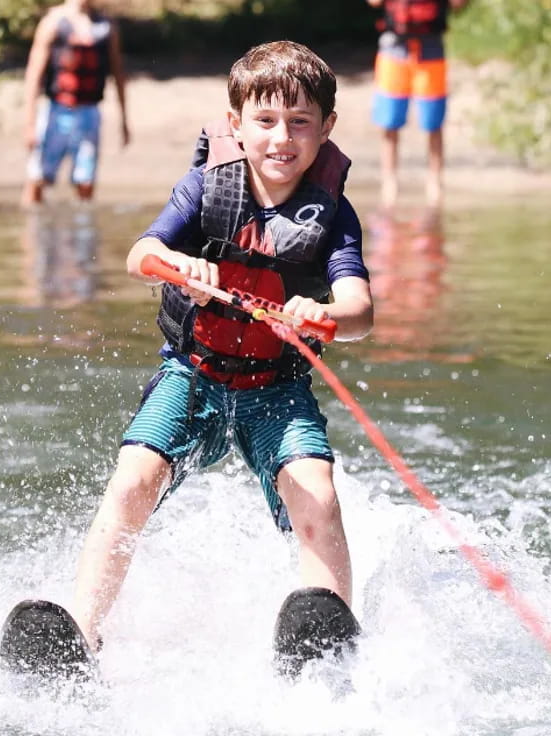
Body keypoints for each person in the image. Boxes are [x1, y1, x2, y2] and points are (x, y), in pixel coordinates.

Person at [69, 40, 374, 652]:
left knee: (317, 492)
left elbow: (361, 312)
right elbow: (140, 256)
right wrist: (182, 266)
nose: (281, 138)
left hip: (277, 390)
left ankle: (329, 633)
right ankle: (82, 629)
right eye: (264, 121)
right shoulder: (206, 189)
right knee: (134, 479)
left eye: (299, 123)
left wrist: (324, 311)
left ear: (326, 129)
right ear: (236, 125)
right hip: (193, 376)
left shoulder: (335, 216)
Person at [21, 0, 129, 206]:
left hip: (89, 113)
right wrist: (30, 123)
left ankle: (82, 233)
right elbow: (33, 75)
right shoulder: (53, 22)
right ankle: (32, 232)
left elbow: (118, 74)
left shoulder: (105, 26)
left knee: (85, 181)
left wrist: (124, 121)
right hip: (56, 111)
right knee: (38, 177)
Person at [367, 0, 469, 210]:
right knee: (389, 120)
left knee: (433, 121)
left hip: (431, 47)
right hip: (393, 45)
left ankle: (435, 183)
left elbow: (459, 4)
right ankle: (390, 183)